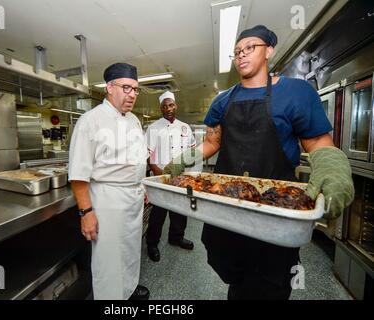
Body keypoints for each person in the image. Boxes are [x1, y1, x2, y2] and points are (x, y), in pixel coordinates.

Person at [164, 25, 354, 300]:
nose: (241, 55)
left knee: (270, 279)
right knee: (231, 269)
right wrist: (180, 161)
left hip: (275, 209)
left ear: (269, 51)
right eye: (237, 51)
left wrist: (333, 170)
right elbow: (212, 143)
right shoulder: (222, 101)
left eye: (250, 48)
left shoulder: (297, 93)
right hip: (226, 206)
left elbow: (317, 143)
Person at [68, 62, 150, 300]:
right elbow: (78, 174)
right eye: (126, 88)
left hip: (133, 200)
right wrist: (87, 213)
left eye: (135, 89)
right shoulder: (90, 121)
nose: (132, 94)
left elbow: (137, 159)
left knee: (130, 252)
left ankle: (128, 291)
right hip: (108, 202)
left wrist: (142, 185)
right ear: (109, 87)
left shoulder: (134, 120)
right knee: (109, 261)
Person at [145, 91, 196, 262]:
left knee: (180, 210)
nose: (168, 109)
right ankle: (152, 243)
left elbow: (192, 151)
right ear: (161, 108)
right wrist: (157, 172)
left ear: (176, 106)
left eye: (171, 105)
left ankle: (176, 238)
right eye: (164, 106)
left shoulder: (185, 128)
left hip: (180, 178)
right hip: (161, 178)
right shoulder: (153, 128)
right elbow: (147, 155)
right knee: (158, 213)